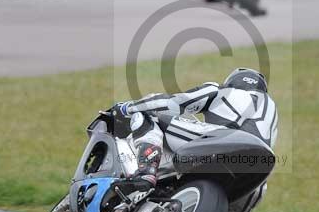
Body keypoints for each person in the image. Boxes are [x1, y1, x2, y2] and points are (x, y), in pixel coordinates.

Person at [115, 68, 278, 189]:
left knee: (150, 114)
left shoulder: (222, 90)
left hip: (221, 140)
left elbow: (174, 103)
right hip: (258, 170)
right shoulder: (272, 112)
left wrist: (126, 108)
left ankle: (146, 171)